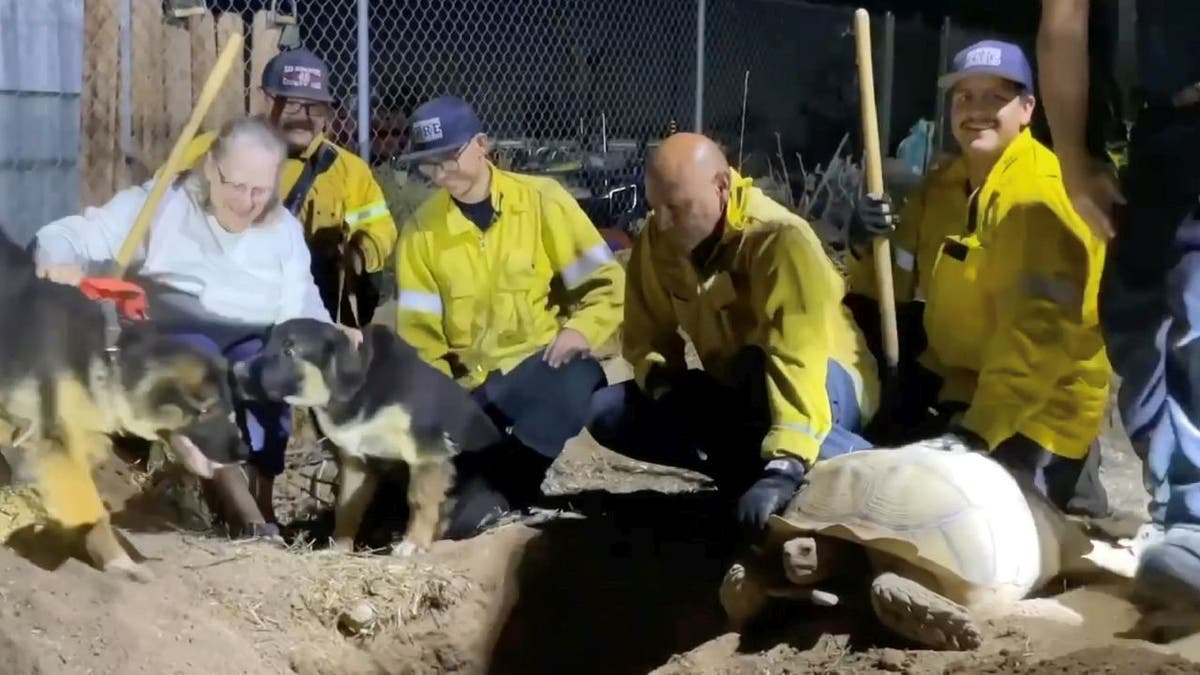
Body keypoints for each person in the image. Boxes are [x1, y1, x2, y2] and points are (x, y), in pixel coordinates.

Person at [34, 115, 344, 538]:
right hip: (174, 334)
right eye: (237, 186)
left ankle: (263, 500)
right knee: (200, 367)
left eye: (261, 190)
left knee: (274, 372)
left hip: (250, 340)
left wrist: (329, 334)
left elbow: (301, 304)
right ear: (212, 168)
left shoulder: (282, 231)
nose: (248, 201)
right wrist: (58, 263)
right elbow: (75, 234)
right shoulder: (163, 204)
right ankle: (246, 517)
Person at [851, 40, 1112, 516]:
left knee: (962, 517)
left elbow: (1039, 338)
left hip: (1037, 412)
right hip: (958, 389)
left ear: (1027, 109)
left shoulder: (1041, 199)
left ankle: (1074, 493)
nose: (976, 111)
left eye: (996, 98)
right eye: (964, 97)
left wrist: (976, 433)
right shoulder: (943, 188)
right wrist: (863, 243)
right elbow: (893, 290)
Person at [587, 132, 880, 534]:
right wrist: (665, 385)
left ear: (722, 185)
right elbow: (645, 336)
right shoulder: (659, 241)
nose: (664, 222)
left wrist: (784, 464)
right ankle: (745, 468)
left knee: (756, 372)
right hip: (737, 389)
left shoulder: (777, 241)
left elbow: (795, 357)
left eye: (677, 207)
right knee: (609, 410)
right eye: (656, 208)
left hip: (823, 384)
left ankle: (871, 468)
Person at [393, 96, 625, 538]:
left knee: (579, 376)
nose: (442, 174)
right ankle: (486, 490)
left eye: (449, 158)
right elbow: (421, 342)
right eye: (428, 166)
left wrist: (580, 328)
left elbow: (606, 284)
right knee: (456, 521)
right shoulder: (421, 232)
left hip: (540, 372)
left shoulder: (543, 202)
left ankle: (507, 485)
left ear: (482, 144)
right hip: (473, 396)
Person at [1038, 0, 1200, 607]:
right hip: (1168, 128)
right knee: (1138, 321)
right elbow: (1065, 18)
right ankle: (1184, 515)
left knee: (1191, 307)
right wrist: (1074, 161)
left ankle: (1193, 516)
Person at [179, 48, 397, 328]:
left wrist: (358, 253)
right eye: (292, 104)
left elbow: (379, 228)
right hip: (222, 310)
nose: (304, 117)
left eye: (315, 107)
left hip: (310, 318)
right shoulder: (210, 151)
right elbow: (164, 217)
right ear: (264, 99)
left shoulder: (347, 171)